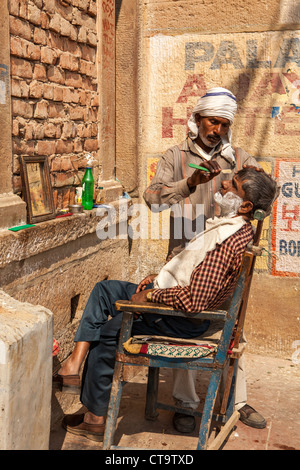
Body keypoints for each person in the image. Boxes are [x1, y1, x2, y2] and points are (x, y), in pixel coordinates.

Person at [56, 168, 278, 442]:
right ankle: (73, 366)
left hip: (181, 319)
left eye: (232, 184)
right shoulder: (236, 229)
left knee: (108, 333)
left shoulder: (227, 240)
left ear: (245, 205)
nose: (222, 184)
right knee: (106, 290)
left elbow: (195, 300)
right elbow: (190, 268)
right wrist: (160, 277)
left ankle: (95, 420)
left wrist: (150, 296)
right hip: (176, 302)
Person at [143, 87, 265, 432]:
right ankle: (185, 402)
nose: (218, 130)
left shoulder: (239, 158)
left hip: (227, 261)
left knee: (233, 328)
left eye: (225, 125)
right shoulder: (175, 155)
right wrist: (188, 184)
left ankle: (235, 399)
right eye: (213, 122)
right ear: (196, 119)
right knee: (186, 325)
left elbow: (261, 200)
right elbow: (152, 199)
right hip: (185, 256)